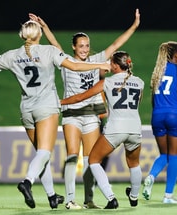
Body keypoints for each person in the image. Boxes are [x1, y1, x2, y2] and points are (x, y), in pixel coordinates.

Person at [0, 19, 110, 209]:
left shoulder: (13, 55)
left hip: (26, 109)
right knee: (44, 152)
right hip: (46, 107)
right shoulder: (48, 51)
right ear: (38, 34)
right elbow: (75, 66)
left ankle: (51, 196)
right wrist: (100, 65)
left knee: (41, 155)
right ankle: (27, 182)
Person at [29, 9, 140, 210]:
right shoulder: (65, 61)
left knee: (91, 160)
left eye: (87, 45)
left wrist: (134, 26)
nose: (84, 49)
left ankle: (89, 199)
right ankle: (71, 200)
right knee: (72, 156)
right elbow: (54, 44)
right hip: (72, 115)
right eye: (81, 46)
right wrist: (44, 27)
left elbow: (116, 45)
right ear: (73, 47)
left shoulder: (96, 60)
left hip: (91, 116)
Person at [61, 51, 145, 209]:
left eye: (110, 62)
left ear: (114, 65)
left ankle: (111, 197)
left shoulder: (107, 82)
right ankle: (134, 196)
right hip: (135, 128)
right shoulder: (140, 82)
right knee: (134, 163)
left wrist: (60, 102)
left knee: (93, 160)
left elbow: (80, 97)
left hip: (116, 128)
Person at [142, 41, 177, 204]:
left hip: (157, 115)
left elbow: (152, 98)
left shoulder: (157, 72)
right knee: (174, 157)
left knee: (164, 154)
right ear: (175, 55)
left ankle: (151, 176)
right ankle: (168, 196)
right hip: (174, 116)